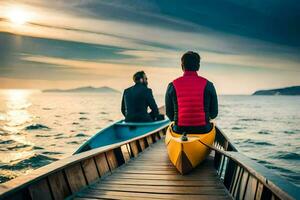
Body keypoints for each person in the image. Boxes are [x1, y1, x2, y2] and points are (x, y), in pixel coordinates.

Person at [165, 51, 218, 133]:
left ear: (182, 66)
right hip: (203, 129)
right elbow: (214, 113)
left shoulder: (172, 85)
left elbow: (169, 113)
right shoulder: (208, 85)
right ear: (198, 66)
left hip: (179, 130)